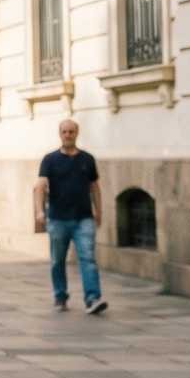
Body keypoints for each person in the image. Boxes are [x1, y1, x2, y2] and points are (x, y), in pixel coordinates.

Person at [36, 118, 107, 314]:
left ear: (77, 133)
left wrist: (98, 211)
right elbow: (40, 186)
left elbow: (94, 187)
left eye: (71, 131)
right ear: (60, 134)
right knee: (57, 260)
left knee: (88, 259)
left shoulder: (87, 159)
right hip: (58, 219)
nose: (68, 135)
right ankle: (60, 296)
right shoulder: (49, 159)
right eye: (64, 132)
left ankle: (92, 299)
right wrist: (39, 211)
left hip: (84, 218)